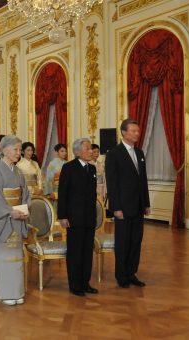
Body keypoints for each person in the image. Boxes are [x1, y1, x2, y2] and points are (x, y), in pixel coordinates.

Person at [105, 119, 150, 288]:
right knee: (123, 242)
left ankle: (132, 273)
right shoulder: (114, 153)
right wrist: (115, 207)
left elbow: (142, 180)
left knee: (136, 241)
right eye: (133, 131)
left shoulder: (140, 153)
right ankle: (121, 276)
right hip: (122, 207)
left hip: (138, 206)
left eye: (138, 131)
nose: (137, 134)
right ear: (124, 132)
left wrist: (146, 203)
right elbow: (112, 182)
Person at [0, 135, 29, 306]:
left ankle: (17, 291)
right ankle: (5, 293)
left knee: (16, 257)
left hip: (18, 216)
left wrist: (24, 209)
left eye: (20, 150)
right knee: (4, 257)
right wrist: (10, 212)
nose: (19, 153)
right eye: (16, 149)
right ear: (4, 150)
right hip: (3, 218)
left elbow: (25, 193)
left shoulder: (18, 171)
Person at [57, 138, 98, 296]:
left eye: (91, 148)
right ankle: (75, 285)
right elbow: (63, 193)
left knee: (87, 252)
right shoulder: (68, 168)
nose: (91, 151)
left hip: (89, 218)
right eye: (87, 148)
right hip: (74, 218)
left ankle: (85, 283)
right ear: (77, 152)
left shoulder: (92, 169)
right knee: (75, 253)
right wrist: (62, 216)